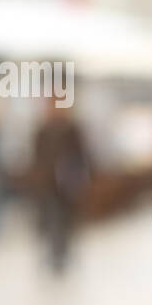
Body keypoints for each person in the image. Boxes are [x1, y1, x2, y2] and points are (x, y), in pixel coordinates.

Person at [30, 100, 92, 274]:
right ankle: (53, 253)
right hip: (47, 185)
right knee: (50, 219)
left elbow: (82, 156)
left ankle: (63, 253)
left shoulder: (72, 130)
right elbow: (36, 158)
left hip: (67, 186)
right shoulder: (42, 130)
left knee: (65, 220)